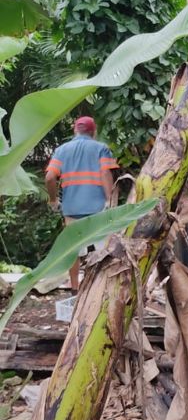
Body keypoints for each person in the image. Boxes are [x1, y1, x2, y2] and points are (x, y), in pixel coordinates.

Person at [45, 116, 118, 292]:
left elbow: (49, 177)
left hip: (72, 209)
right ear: (93, 131)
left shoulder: (61, 150)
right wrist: (110, 201)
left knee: (73, 250)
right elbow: (105, 174)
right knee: (103, 249)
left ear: (74, 130)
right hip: (98, 209)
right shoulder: (101, 148)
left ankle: (75, 288)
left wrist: (54, 200)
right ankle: (102, 287)